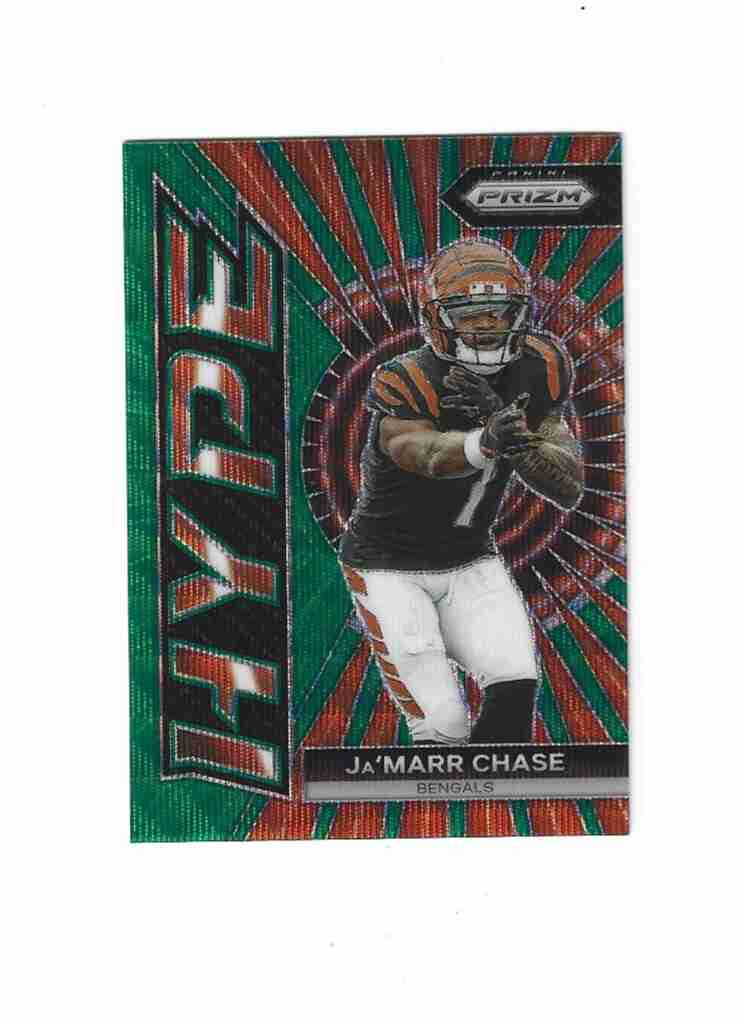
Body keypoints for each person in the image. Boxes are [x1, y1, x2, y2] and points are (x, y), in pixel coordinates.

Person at [338, 239, 583, 744]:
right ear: (436, 318)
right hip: (389, 568)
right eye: (470, 313)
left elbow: (567, 484)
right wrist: (485, 440)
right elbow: (421, 454)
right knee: (444, 725)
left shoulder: (540, 364)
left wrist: (509, 428)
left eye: (500, 311)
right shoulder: (406, 377)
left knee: (515, 685)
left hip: (472, 560)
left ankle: (496, 795)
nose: (488, 325)